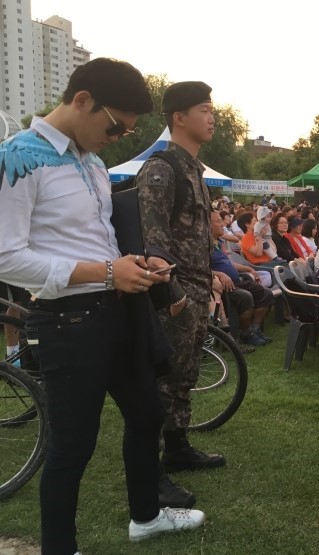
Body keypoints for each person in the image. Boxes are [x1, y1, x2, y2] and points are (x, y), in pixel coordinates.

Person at [0, 58, 204, 553]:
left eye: (127, 131)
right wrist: (106, 272)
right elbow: (7, 257)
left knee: (148, 413)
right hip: (67, 320)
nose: (118, 138)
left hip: (118, 309)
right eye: (116, 127)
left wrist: (133, 262)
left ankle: (146, 516)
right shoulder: (18, 156)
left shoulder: (91, 160)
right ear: (82, 100)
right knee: (72, 445)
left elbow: (94, 238)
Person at [136, 82, 226, 489]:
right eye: (203, 109)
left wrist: (211, 276)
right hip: (175, 295)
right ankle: (150, 469)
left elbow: (195, 236)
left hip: (197, 289)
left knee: (185, 375)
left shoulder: (194, 170)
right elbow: (153, 242)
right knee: (163, 380)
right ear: (178, 117)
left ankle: (177, 447)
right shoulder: (161, 169)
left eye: (211, 109)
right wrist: (175, 296)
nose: (212, 118)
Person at [209, 211, 273, 348]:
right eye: (218, 221)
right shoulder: (204, 246)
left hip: (236, 281)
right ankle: (245, 333)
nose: (223, 224)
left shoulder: (219, 242)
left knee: (266, 293)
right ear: (208, 225)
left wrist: (248, 269)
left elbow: (229, 264)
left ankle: (254, 330)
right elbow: (202, 269)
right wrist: (220, 274)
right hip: (223, 286)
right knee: (246, 296)